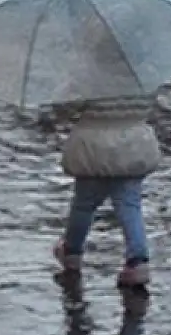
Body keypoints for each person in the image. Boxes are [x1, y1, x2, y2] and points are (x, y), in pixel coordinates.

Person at [54, 95, 162, 288]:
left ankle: (72, 252)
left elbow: (72, 106)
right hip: (132, 144)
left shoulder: (89, 75)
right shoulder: (142, 74)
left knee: (84, 204)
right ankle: (137, 261)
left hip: (93, 146)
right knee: (130, 205)